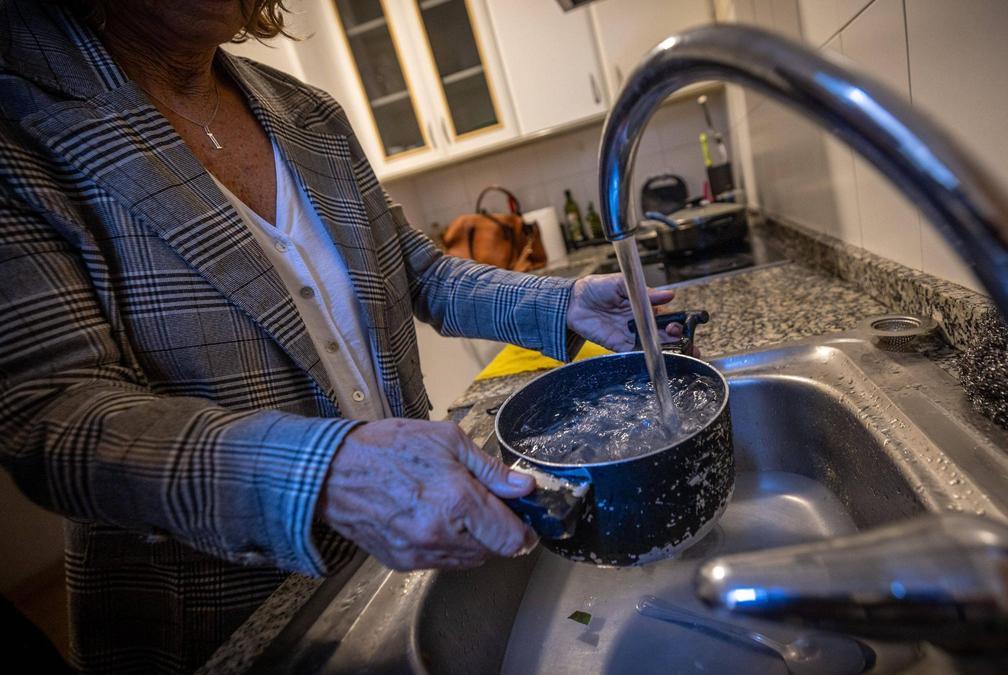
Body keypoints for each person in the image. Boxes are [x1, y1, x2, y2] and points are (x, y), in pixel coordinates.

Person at [0, 1, 679, 671]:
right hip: (220, 623)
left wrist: (565, 304)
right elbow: (57, 417)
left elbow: (422, 273)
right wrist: (323, 473)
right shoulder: (20, 124)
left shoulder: (306, 112)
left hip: (394, 565)